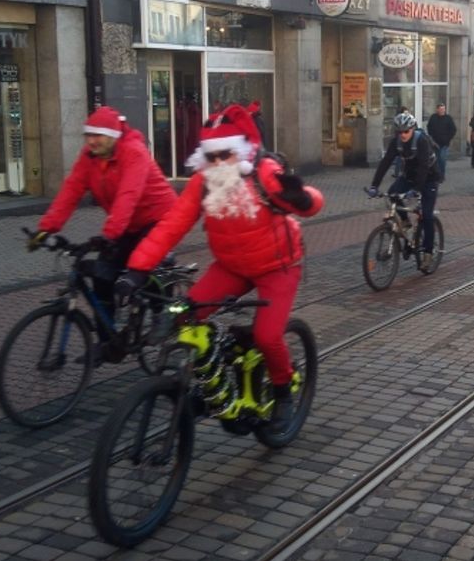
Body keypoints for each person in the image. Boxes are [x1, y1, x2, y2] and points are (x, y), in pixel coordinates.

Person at [116, 103, 324, 432]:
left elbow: (310, 201)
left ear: (239, 152)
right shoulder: (204, 182)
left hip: (277, 267)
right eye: (210, 157)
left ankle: (283, 390)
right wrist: (136, 270)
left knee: (268, 337)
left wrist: (303, 198)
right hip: (231, 267)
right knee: (182, 313)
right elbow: (171, 225)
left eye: (223, 155)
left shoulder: (263, 173)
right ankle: (216, 378)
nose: (216, 163)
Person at [29, 106, 177, 320]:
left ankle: (162, 314)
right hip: (126, 224)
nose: (91, 141)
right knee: (102, 275)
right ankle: (108, 341)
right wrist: (46, 229)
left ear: (113, 136)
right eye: (88, 135)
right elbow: (71, 190)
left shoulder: (134, 152)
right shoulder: (90, 157)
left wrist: (109, 235)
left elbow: (128, 195)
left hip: (158, 219)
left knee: (140, 269)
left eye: (98, 135)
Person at [368, 112, 442, 271]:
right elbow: (385, 162)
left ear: (412, 129)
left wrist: (415, 190)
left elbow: (423, 167)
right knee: (392, 193)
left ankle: (428, 253)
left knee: (427, 216)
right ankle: (406, 221)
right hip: (409, 177)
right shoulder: (396, 143)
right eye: (399, 132)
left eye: (405, 131)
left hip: (429, 178)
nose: (402, 135)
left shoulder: (421, 141)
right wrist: (374, 186)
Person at [426, 103, 456, 180]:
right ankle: (436, 174)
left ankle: (441, 175)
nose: (442, 110)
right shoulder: (433, 117)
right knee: (435, 160)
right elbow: (429, 127)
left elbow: (453, 129)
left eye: (443, 109)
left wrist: (448, 138)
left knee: (442, 160)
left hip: (444, 144)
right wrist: (431, 137)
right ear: (437, 109)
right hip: (435, 143)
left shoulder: (448, 118)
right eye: (441, 109)